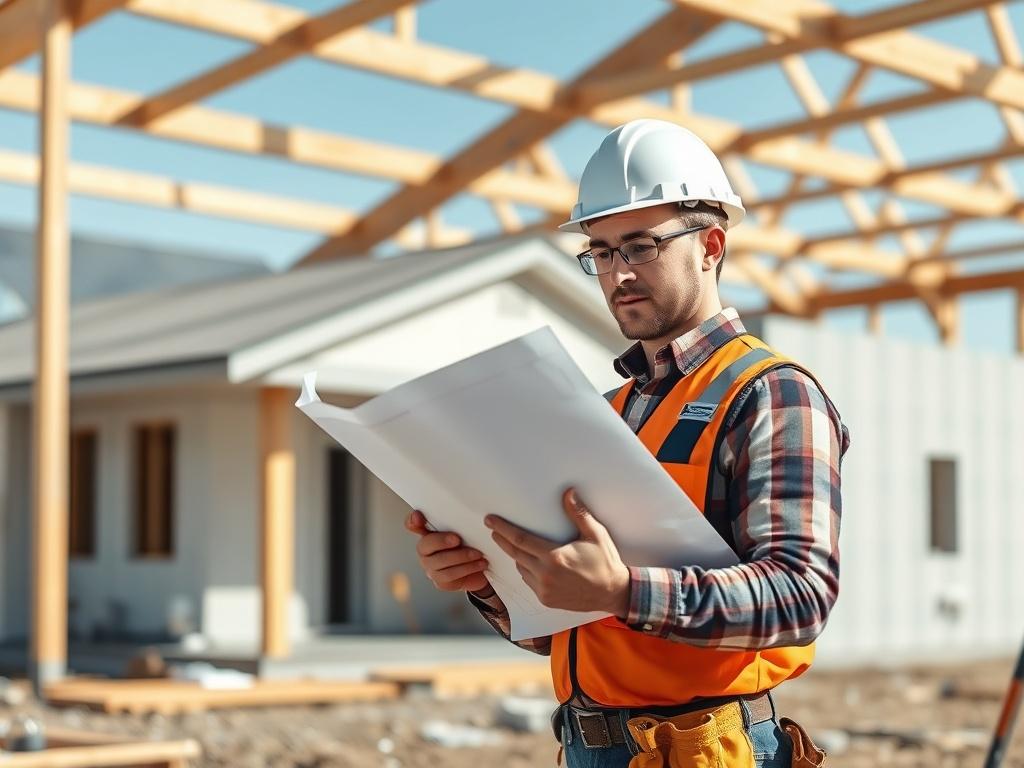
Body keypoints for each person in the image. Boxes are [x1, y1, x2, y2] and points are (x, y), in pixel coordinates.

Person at [405, 119, 850, 768]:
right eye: (602, 252)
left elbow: (800, 598)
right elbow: (569, 629)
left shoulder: (771, 394)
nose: (618, 274)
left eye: (641, 247)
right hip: (591, 745)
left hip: (710, 749)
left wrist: (622, 591)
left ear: (711, 245)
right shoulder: (609, 411)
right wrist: (489, 583)